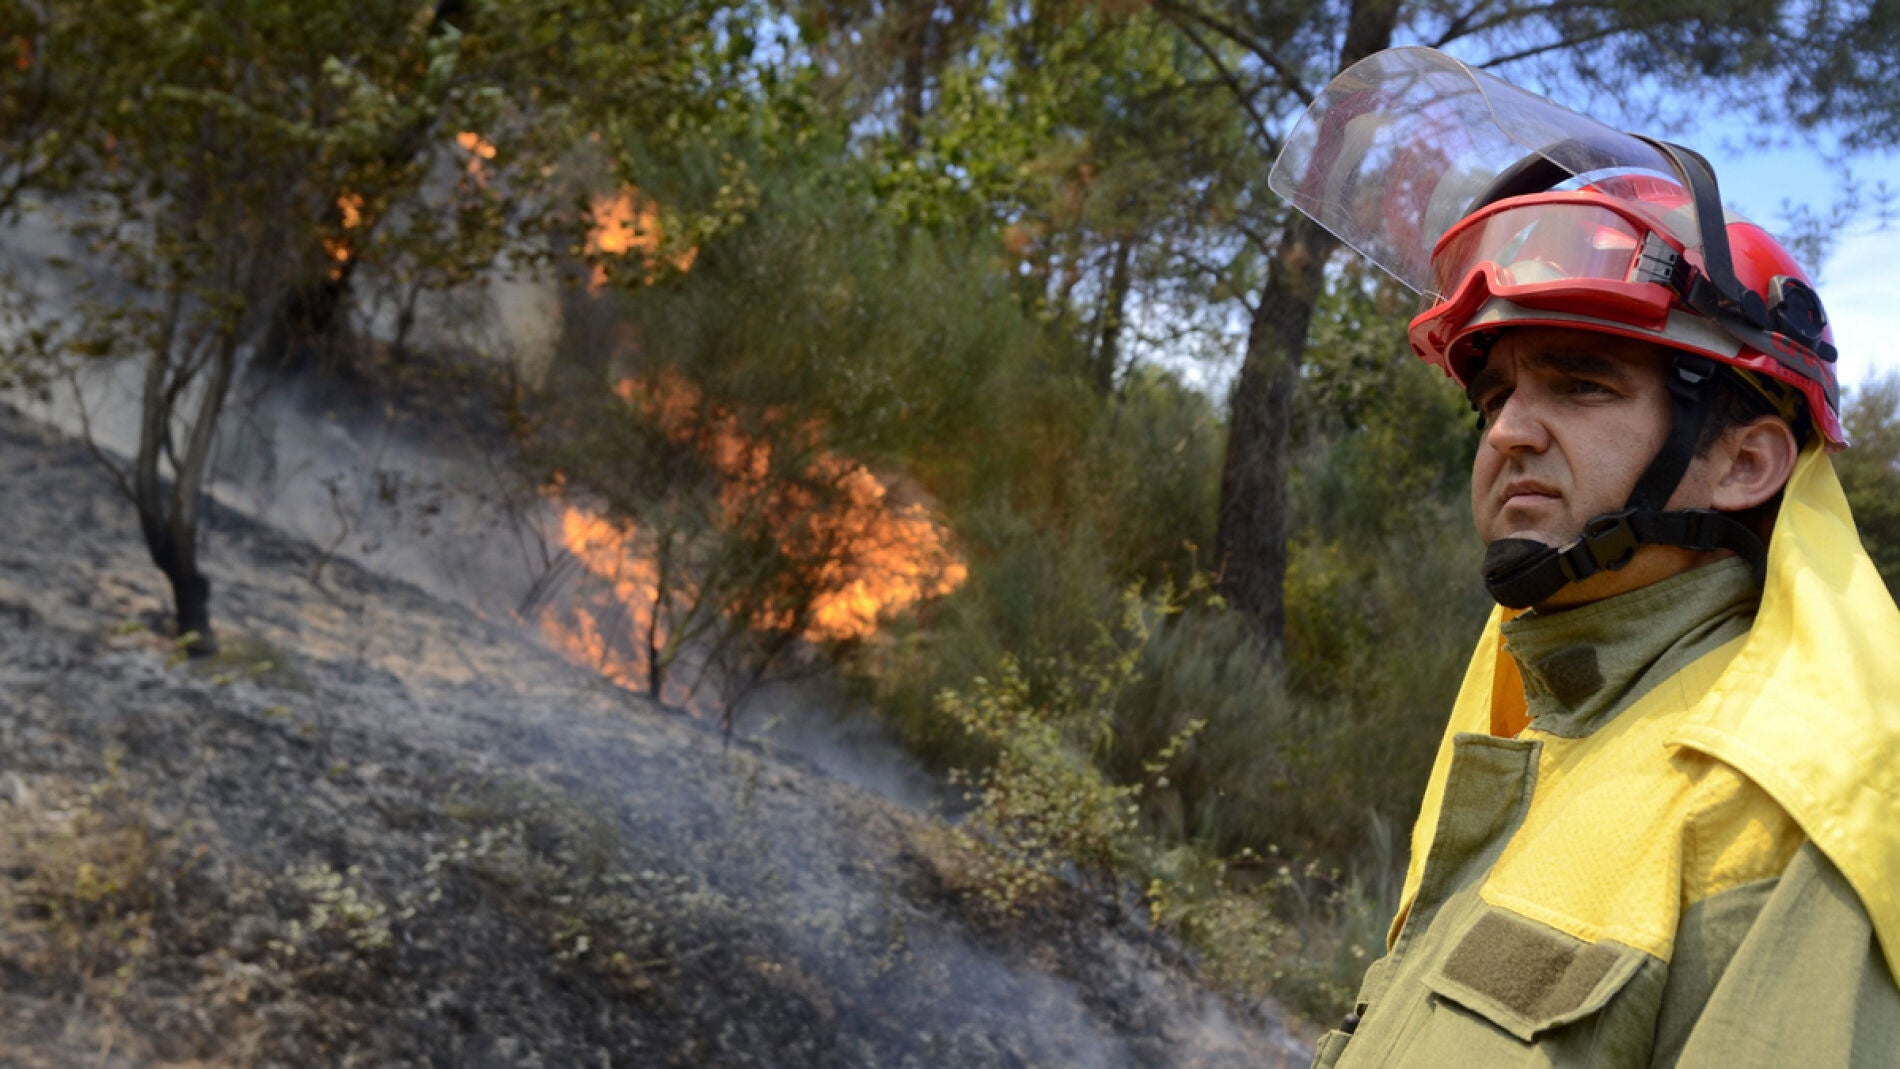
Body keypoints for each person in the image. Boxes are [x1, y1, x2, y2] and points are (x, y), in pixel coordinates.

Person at [1268, 48, 1900, 1066]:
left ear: (1744, 462)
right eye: (1495, 395)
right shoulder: (1540, 724)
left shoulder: (1783, 808)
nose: (1508, 431)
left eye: (1581, 386)